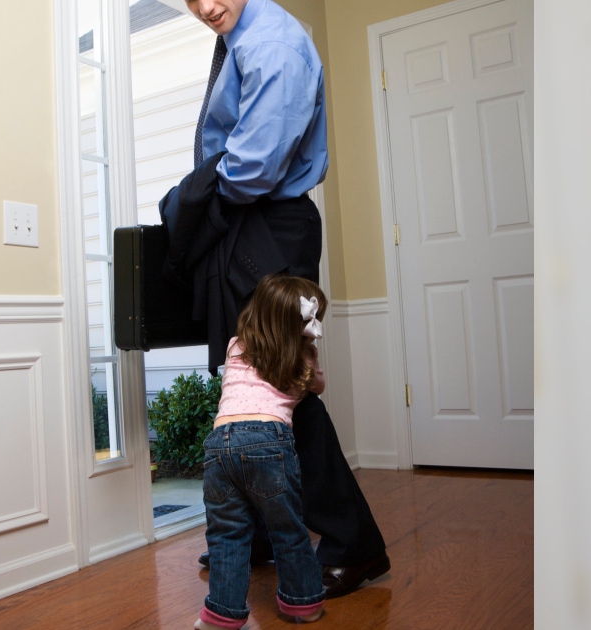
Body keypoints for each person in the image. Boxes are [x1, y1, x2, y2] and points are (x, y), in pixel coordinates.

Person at [181, 0, 390, 599]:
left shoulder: (270, 43)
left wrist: (195, 198)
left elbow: (251, 168)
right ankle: (266, 535)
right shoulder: (241, 34)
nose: (205, 7)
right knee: (248, 382)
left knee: (277, 387)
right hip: (253, 226)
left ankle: (357, 544)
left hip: (266, 222)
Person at [195, 274, 328, 630]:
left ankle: (221, 614)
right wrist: (309, 353)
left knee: (226, 534)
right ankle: (303, 604)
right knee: (287, 529)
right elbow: (318, 386)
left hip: (220, 444)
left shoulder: (236, 345)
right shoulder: (300, 357)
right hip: (268, 441)